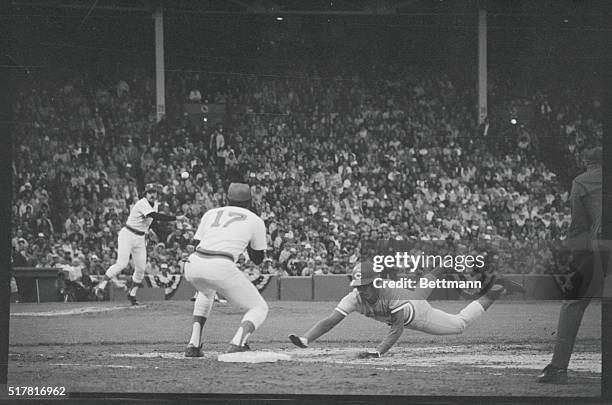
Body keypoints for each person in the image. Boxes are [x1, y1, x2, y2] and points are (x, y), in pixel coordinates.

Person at [289, 262, 523, 358]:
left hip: (419, 315)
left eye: (364, 285)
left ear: (374, 283)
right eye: (358, 286)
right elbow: (331, 321)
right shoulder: (353, 298)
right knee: (423, 287)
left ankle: (497, 289)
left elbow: (398, 326)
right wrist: (305, 338)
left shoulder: (387, 290)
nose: (361, 290)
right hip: (413, 297)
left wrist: (379, 352)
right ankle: (443, 267)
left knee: (460, 324)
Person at [538, 146, 605, 384]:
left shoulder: (583, 181)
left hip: (601, 245)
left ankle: (558, 369)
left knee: (573, 304)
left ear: (588, 163)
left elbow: (579, 225)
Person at [183, 183, 268, 357]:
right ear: (250, 201)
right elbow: (258, 259)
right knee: (259, 307)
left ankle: (194, 344)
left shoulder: (211, 213)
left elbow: (194, 244)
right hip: (220, 264)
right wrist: (248, 241)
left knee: (206, 293)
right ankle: (238, 342)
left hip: (193, 263)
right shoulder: (255, 219)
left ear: (227, 199)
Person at [94, 183, 186, 305]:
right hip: (128, 234)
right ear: (145, 194)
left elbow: (152, 221)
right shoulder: (142, 203)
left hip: (140, 237)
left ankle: (132, 294)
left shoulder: (156, 204)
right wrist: (176, 218)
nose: (152, 194)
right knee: (122, 263)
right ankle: (101, 285)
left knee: (141, 269)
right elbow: (154, 216)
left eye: (154, 192)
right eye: (150, 192)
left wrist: (151, 231)